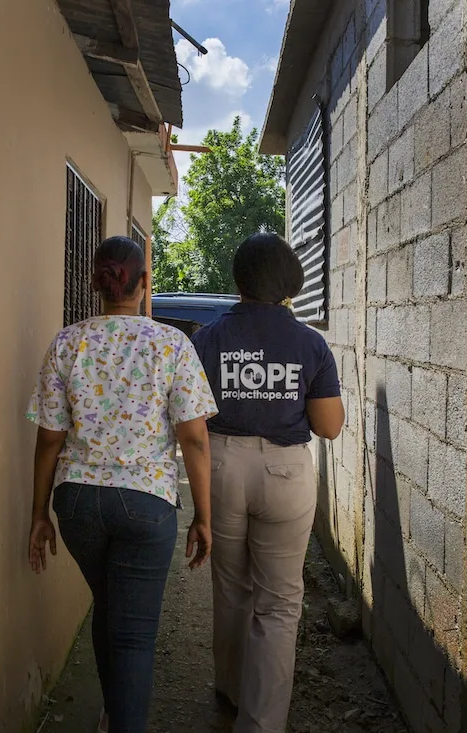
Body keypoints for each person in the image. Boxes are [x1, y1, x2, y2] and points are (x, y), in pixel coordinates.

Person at [26, 236, 218, 733]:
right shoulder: (172, 344)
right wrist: (203, 515)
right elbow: (194, 440)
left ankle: (114, 713)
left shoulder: (67, 342)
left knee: (109, 608)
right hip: (146, 504)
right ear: (144, 283)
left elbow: (49, 440)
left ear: (97, 284)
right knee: (132, 635)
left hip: (77, 504)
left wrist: (38, 515)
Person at [191, 233, 345, 733]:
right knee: (279, 602)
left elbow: (190, 419)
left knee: (231, 588)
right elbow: (328, 426)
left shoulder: (206, 338)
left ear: (239, 280)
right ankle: (260, 723)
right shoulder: (310, 344)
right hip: (284, 473)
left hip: (219, 468)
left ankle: (232, 692)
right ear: (290, 282)